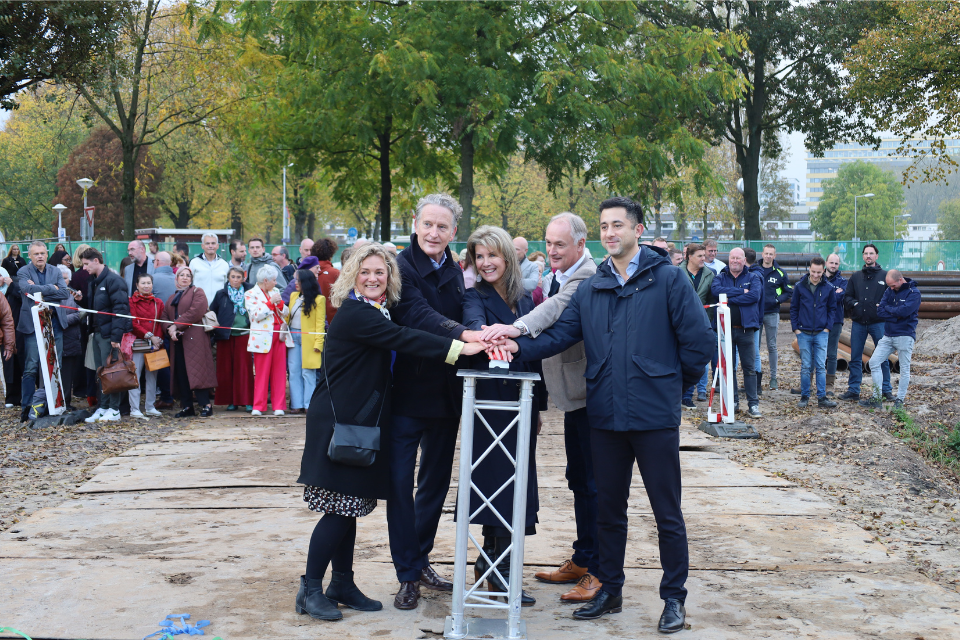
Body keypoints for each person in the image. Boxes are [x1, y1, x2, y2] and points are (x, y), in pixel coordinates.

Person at [494, 196, 714, 631]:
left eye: (618, 225)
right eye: (604, 226)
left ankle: (673, 599)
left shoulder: (668, 280)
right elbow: (559, 335)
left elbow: (699, 345)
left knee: (666, 513)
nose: (610, 232)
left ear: (637, 230)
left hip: (654, 420)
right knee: (608, 511)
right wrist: (516, 345)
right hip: (606, 417)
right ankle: (609, 589)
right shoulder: (594, 287)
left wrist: (670, 386)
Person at [295, 243, 486, 622]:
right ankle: (311, 588)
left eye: (380, 272)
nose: (372, 277)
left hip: (357, 423)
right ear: (352, 275)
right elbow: (405, 338)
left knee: (348, 508)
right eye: (365, 271)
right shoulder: (356, 313)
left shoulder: (372, 309)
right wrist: (457, 348)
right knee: (336, 511)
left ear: (389, 278)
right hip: (339, 423)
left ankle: (342, 584)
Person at [478, 212, 601, 602]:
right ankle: (583, 559)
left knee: (596, 484)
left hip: (589, 395)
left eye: (560, 244)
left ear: (581, 245)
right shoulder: (555, 274)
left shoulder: (584, 277)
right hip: (569, 394)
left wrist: (514, 331)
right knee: (578, 478)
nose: (551, 251)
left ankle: (598, 569)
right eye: (548, 243)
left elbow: (555, 318)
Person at [387, 193, 485, 610]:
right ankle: (407, 574)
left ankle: (421, 558)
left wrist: (481, 329)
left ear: (453, 232)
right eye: (428, 224)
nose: (434, 232)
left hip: (447, 396)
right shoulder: (400, 267)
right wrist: (466, 335)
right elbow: (416, 314)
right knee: (398, 487)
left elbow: (469, 306)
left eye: (442, 226)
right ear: (414, 222)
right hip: (405, 395)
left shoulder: (457, 269)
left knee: (434, 486)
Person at [461, 226, 546, 607]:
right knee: (495, 481)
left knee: (520, 483)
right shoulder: (473, 295)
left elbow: (536, 351)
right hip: (490, 405)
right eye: (479, 257)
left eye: (492, 255)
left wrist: (540, 406)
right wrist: (490, 336)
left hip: (524, 401)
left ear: (508, 257)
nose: (486, 263)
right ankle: (494, 570)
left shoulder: (527, 299)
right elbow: (477, 328)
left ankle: (500, 566)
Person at [17, 241, 68, 421]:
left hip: (54, 322)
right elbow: (26, 289)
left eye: (42, 253)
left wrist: (41, 290)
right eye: (36, 254)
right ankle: (28, 408)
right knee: (31, 367)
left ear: (47, 254)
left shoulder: (55, 270)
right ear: (29, 256)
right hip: (32, 325)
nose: (40, 256)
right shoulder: (23, 271)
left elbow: (64, 293)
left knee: (57, 366)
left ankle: (53, 404)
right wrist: (51, 288)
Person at [80, 248, 131, 424]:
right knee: (101, 372)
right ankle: (103, 407)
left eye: (86, 264)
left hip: (109, 335)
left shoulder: (114, 281)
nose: (84, 268)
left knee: (112, 372)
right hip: (96, 332)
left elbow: (121, 310)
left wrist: (116, 337)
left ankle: (114, 409)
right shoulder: (93, 281)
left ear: (96, 261)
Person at [711, 247, 763, 418]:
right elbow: (716, 292)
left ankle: (753, 404)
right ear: (729, 259)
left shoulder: (753, 277)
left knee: (749, 368)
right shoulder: (720, 276)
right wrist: (741, 292)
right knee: (729, 368)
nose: (735, 261)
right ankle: (733, 401)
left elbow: (754, 296)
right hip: (725, 331)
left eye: (738, 258)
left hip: (746, 331)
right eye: (732, 258)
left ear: (744, 260)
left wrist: (729, 299)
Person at [861, 270, 921, 410]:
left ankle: (899, 400)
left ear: (900, 280)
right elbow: (880, 311)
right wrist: (895, 314)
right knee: (874, 362)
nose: (891, 288)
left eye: (893, 285)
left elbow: (905, 312)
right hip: (888, 335)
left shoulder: (914, 293)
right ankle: (877, 397)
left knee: (904, 369)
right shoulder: (889, 290)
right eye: (889, 286)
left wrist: (890, 311)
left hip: (905, 335)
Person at [162, 267, 217, 418]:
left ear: (192, 279)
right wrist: (170, 330)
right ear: (177, 278)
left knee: (198, 372)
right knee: (182, 374)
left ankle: (205, 405)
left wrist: (176, 325)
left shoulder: (197, 292)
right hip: (177, 341)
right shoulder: (172, 297)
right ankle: (187, 406)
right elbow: (164, 317)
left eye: (188, 275)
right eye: (182, 275)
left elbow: (196, 312)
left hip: (195, 340)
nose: (185, 278)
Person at [841, 244, 893, 402]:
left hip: (878, 323)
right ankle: (853, 390)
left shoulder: (885, 276)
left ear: (877, 256)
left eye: (871, 253)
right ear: (863, 256)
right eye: (866, 253)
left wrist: (883, 308)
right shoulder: (856, 277)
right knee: (855, 357)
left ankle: (886, 390)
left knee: (882, 357)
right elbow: (847, 297)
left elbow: (892, 298)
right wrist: (855, 305)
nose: (868, 256)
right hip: (858, 323)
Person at [790, 257, 838, 409]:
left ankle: (822, 397)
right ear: (809, 269)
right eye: (813, 272)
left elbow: (832, 309)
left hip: (821, 333)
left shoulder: (828, 288)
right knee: (806, 366)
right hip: (803, 332)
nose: (816, 275)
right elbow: (794, 308)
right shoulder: (799, 286)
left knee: (820, 365)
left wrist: (827, 328)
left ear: (823, 270)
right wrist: (796, 328)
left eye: (819, 272)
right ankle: (805, 396)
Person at [245, 264, 288, 416]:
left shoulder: (275, 291)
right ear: (265, 280)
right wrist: (270, 303)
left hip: (279, 336)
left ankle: (279, 406)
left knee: (279, 372)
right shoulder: (250, 294)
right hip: (262, 337)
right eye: (274, 280)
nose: (276, 283)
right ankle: (258, 406)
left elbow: (285, 312)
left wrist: (281, 305)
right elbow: (255, 315)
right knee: (261, 372)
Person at [212, 267, 255, 412]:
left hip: (244, 335)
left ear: (243, 278)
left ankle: (247, 400)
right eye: (233, 277)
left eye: (238, 277)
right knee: (226, 370)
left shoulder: (250, 293)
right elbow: (213, 311)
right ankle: (231, 401)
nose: (236, 280)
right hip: (225, 336)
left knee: (244, 370)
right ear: (228, 278)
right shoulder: (221, 294)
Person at [679, 243, 716, 408]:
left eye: (704, 255)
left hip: (702, 323)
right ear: (689, 256)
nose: (704, 258)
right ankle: (684, 395)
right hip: (681, 323)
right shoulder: (676, 272)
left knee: (700, 358)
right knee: (683, 359)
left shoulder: (710, 274)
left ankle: (698, 392)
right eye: (700, 256)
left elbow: (712, 299)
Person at [286, 268, 325, 414]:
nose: (295, 283)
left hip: (309, 339)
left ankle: (309, 405)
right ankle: (296, 404)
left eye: (298, 280)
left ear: (306, 282)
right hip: (293, 337)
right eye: (295, 280)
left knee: (308, 372)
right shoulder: (293, 296)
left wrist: (318, 343)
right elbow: (287, 317)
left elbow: (320, 323)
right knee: (294, 371)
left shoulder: (319, 299)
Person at [127, 273, 165, 419]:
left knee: (152, 376)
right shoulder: (131, 301)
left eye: (149, 283)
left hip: (155, 344)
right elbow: (133, 323)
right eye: (143, 283)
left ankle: (150, 406)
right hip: (138, 342)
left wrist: (158, 340)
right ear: (137, 285)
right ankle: (134, 408)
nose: (146, 286)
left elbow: (161, 322)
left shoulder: (158, 302)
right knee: (135, 375)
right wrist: (150, 336)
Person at [758, 244, 792, 390]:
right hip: (756, 314)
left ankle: (773, 378)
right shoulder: (754, 270)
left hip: (772, 313)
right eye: (766, 253)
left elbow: (788, 291)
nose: (768, 256)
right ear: (762, 254)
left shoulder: (780, 273)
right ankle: (755, 378)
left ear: (775, 256)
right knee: (755, 347)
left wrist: (777, 300)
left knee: (772, 346)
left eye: (771, 254)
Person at [823, 253, 847, 396]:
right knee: (814, 353)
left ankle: (829, 385)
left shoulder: (843, 281)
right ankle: (808, 384)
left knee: (832, 354)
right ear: (826, 263)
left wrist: (824, 294)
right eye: (831, 263)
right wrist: (832, 292)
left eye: (836, 264)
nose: (833, 266)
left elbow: (839, 298)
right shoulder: (817, 277)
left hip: (835, 320)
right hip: (818, 320)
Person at [745, 248, 766, 394]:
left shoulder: (754, 276)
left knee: (754, 353)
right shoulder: (758, 273)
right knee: (754, 352)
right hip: (756, 318)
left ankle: (756, 385)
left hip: (753, 319)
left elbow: (753, 297)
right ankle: (755, 385)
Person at [189, 233, 230, 305]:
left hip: (219, 306)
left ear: (217, 246)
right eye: (207, 243)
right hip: (199, 305)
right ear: (202, 246)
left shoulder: (224, 264)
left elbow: (227, 286)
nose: (210, 246)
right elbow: (190, 284)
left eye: (213, 243)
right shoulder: (194, 263)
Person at [311, 239, 340, 321]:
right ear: (331, 253)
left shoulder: (306, 271)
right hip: (332, 320)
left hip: (310, 321)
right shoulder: (335, 274)